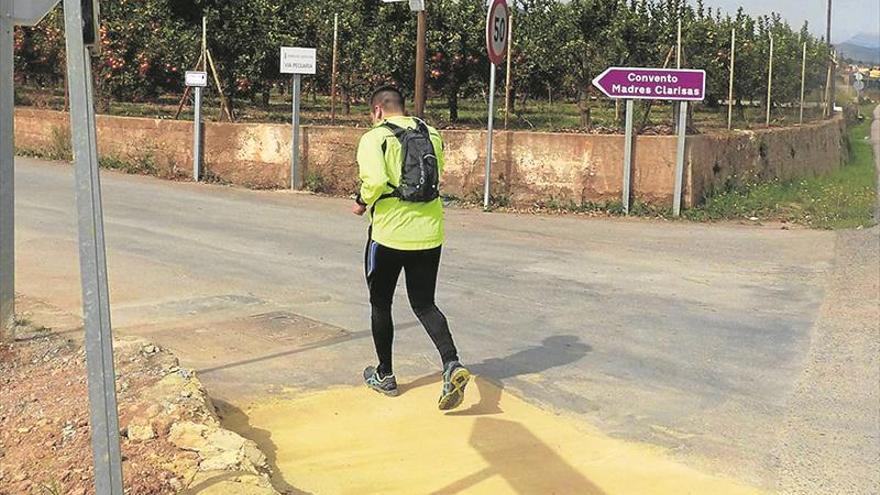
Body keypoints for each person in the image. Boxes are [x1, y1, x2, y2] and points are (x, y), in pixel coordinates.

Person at [352, 86, 470, 411]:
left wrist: (362, 201)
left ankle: (385, 375)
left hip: (389, 235)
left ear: (377, 110)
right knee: (425, 304)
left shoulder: (374, 138)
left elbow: (374, 181)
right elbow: (437, 173)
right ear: (401, 108)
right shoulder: (430, 132)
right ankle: (451, 363)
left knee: (381, 303)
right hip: (430, 234)